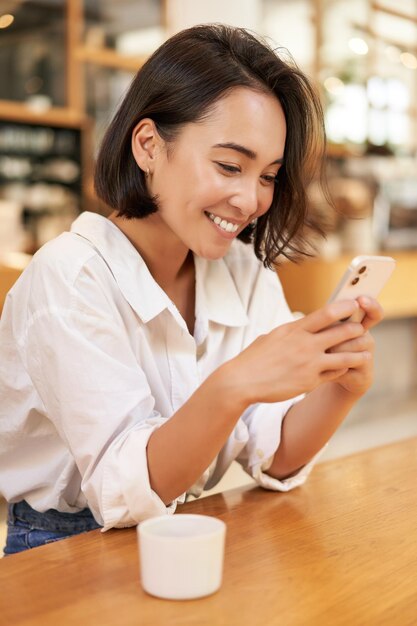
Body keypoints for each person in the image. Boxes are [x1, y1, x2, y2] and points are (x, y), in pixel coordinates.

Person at [0, 24, 382, 555]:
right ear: (150, 145)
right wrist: (236, 384)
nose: (250, 200)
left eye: (268, 176)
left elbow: (276, 452)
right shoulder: (71, 276)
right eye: (230, 166)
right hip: (61, 550)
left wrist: (341, 387)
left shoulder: (244, 272)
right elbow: (123, 488)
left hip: (187, 531)